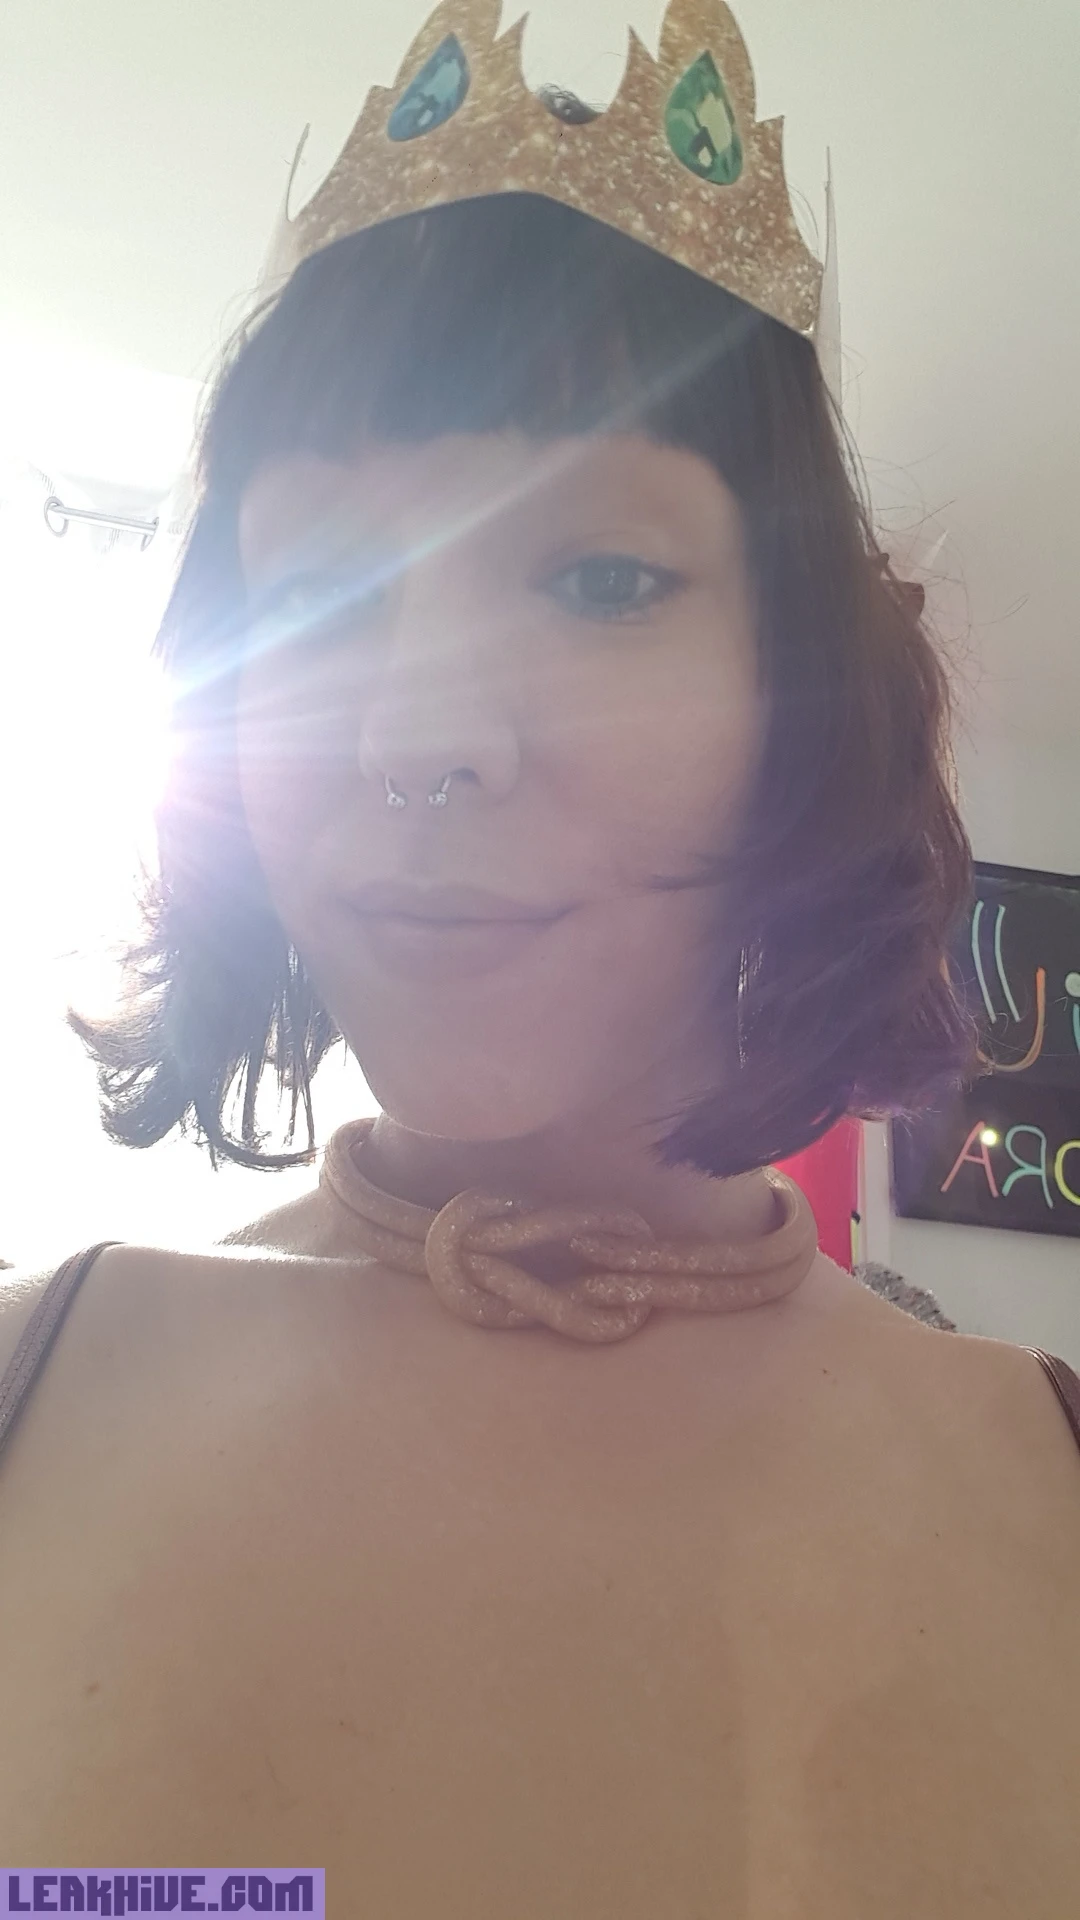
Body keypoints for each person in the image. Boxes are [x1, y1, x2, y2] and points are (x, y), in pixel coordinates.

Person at [2, 1, 1078, 1908]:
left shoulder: (1044, 1475)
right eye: (319, 593)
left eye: (601, 579)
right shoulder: (34, 1386)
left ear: (799, 696)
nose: (419, 733)